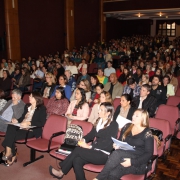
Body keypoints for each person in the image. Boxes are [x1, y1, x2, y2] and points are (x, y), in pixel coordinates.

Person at [49, 102, 118, 180]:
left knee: (78, 150)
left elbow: (107, 144)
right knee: (76, 160)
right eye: (99, 109)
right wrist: (83, 139)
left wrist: (89, 146)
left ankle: (61, 171)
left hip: (103, 154)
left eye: (101, 110)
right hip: (94, 151)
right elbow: (91, 135)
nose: (99, 112)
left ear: (108, 113)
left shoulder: (114, 125)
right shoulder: (99, 121)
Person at [94, 109, 154, 180]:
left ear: (143, 118)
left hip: (140, 163)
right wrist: (116, 145)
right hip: (124, 157)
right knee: (113, 173)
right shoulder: (127, 126)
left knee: (117, 154)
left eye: (136, 116)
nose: (133, 117)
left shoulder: (147, 133)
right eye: (133, 115)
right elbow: (120, 140)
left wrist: (132, 162)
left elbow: (149, 154)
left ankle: (99, 177)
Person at [1, 92, 47, 166]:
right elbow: (22, 118)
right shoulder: (27, 106)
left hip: (31, 130)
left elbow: (42, 122)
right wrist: (17, 120)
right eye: (29, 96)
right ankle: (10, 153)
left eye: (31, 97)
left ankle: (10, 153)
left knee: (10, 136)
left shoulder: (42, 108)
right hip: (21, 126)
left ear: (36, 99)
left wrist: (29, 123)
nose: (29, 98)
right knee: (11, 126)